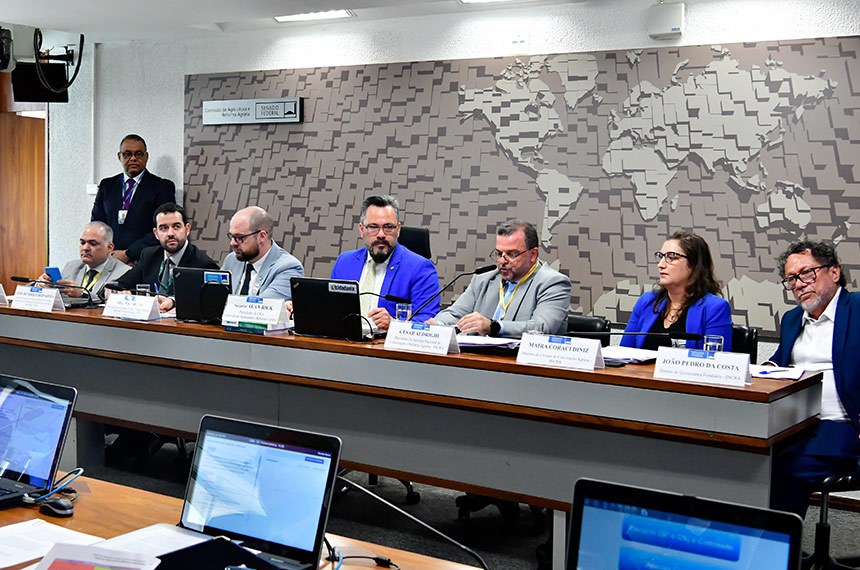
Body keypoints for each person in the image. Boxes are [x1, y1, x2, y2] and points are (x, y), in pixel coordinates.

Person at [769, 241, 860, 518]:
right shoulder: (792, 319)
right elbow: (778, 363)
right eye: (792, 278)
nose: (799, 284)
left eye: (807, 274)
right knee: (750, 457)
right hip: (797, 424)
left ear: (834, 272)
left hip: (845, 423)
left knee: (788, 465)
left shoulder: (857, 309)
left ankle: (776, 548)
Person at [429, 220, 570, 337]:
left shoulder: (553, 283)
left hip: (521, 363)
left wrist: (494, 327)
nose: (502, 260)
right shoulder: (483, 279)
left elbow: (541, 327)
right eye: (499, 253)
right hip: (478, 358)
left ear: (533, 254)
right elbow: (455, 314)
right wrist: (436, 324)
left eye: (512, 254)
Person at [330, 195, 440, 330]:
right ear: (361, 229)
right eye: (373, 227)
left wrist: (394, 324)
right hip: (342, 343)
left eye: (388, 227)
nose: (381, 234)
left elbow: (428, 321)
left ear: (398, 229)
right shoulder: (344, 262)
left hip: (385, 347)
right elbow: (331, 307)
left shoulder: (421, 268)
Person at [621, 231, 733, 351]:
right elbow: (623, 353)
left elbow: (716, 361)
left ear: (694, 265)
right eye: (661, 256)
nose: (661, 264)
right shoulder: (647, 302)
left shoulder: (715, 308)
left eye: (671, 257)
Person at [116, 202, 218, 311]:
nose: (170, 233)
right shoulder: (149, 256)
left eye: (176, 227)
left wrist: (174, 302)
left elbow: (212, 303)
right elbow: (120, 284)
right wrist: (121, 292)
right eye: (163, 228)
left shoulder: (204, 264)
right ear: (156, 233)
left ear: (187, 229)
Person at [91, 134, 176, 264]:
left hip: (144, 261)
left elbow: (163, 229)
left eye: (139, 154)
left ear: (146, 157)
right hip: (109, 260)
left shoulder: (162, 187)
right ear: (119, 157)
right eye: (127, 154)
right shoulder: (107, 185)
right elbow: (97, 224)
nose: (133, 158)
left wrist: (128, 253)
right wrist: (107, 251)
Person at [221, 206, 304, 300]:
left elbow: (262, 307)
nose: (232, 243)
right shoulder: (232, 260)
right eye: (231, 236)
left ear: (262, 236)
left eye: (239, 238)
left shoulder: (288, 267)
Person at [37, 222, 130, 301]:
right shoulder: (72, 266)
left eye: (93, 244)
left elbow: (110, 301)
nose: (85, 248)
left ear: (109, 248)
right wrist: (42, 285)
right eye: (82, 243)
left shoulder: (124, 272)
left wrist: (82, 294)